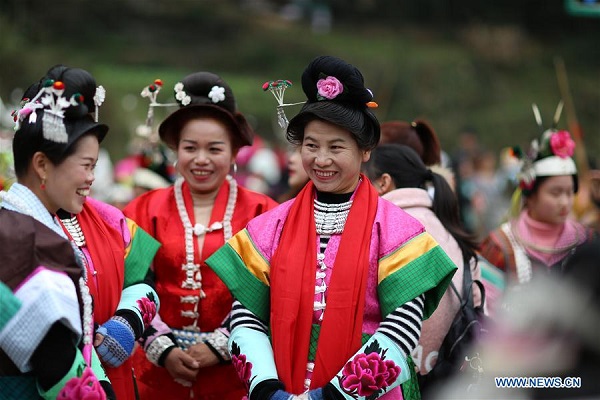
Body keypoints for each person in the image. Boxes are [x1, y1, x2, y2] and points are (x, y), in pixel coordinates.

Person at [206, 55, 457, 400]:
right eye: (311, 146)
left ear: (365, 151)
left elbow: (402, 329)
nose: (321, 160)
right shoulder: (270, 227)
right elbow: (245, 318)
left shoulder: (399, 231)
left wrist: (331, 396)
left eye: (336, 147)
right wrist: (267, 391)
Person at [123, 71, 278, 399]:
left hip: (235, 377)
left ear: (235, 152)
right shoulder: (142, 210)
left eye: (215, 148)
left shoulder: (264, 213)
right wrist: (161, 347)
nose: (201, 159)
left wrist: (223, 344)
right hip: (157, 376)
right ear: (175, 150)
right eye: (190, 147)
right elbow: (131, 285)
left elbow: (271, 292)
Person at [0, 66, 115, 398]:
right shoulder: (21, 240)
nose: (92, 178)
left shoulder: (22, 227)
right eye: (86, 165)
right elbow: (56, 362)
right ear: (42, 164)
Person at [363, 143, 483, 393]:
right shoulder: (448, 228)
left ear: (383, 183)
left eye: (363, 181)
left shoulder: (387, 230)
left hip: (396, 381)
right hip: (449, 376)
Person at [480, 119, 595, 286]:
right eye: (555, 193)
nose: (565, 202)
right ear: (531, 195)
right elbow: (486, 304)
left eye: (570, 193)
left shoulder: (588, 240)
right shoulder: (500, 245)